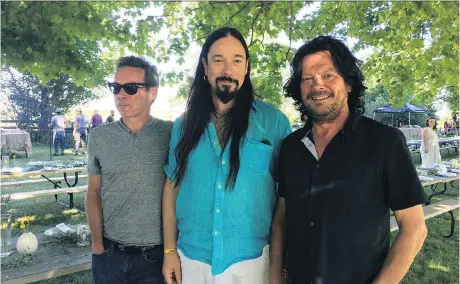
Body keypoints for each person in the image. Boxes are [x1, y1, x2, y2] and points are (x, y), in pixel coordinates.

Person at [280, 36, 427, 284]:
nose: (318, 85)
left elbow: (414, 229)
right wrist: (276, 277)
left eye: (328, 75)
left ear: (348, 83)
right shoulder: (290, 147)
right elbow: (281, 218)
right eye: (307, 79)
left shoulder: (386, 143)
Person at [162, 27, 291, 284]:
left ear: (246, 67)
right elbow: (171, 187)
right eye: (218, 60)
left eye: (237, 60)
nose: (227, 69)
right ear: (205, 66)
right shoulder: (183, 125)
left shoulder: (274, 123)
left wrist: (276, 267)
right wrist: (169, 251)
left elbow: (284, 200)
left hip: (252, 264)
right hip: (192, 260)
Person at [86, 56, 171, 284]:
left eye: (131, 88)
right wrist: (97, 246)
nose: (121, 94)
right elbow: (93, 191)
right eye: (116, 87)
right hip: (109, 255)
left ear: (152, 93)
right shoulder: (99, 137)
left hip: (157, 258)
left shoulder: (172, 134)